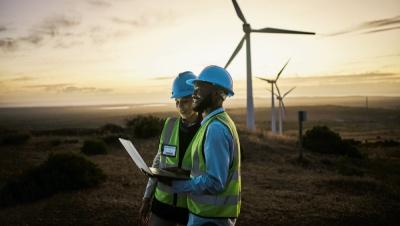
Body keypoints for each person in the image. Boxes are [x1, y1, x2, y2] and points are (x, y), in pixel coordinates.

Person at [165, 65, 241, 226]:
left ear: (217, 94)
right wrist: (184, 172)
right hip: (208, 214)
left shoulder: (215, 128)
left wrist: (181, 185)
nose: (194, 94)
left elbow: (215, 182)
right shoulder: (214, 123)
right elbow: (208, 169)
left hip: (210, 218)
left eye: (200, 89)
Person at [139, 71, 202, 226]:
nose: (180, 106)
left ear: (196, 99)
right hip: (161, 206)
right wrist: (147, 198)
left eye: (185, 101)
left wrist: (186, 173)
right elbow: (158, 163)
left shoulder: (207, 129)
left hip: (190, 208)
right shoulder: (169, 125)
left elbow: (211, 173)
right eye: (177, 101)